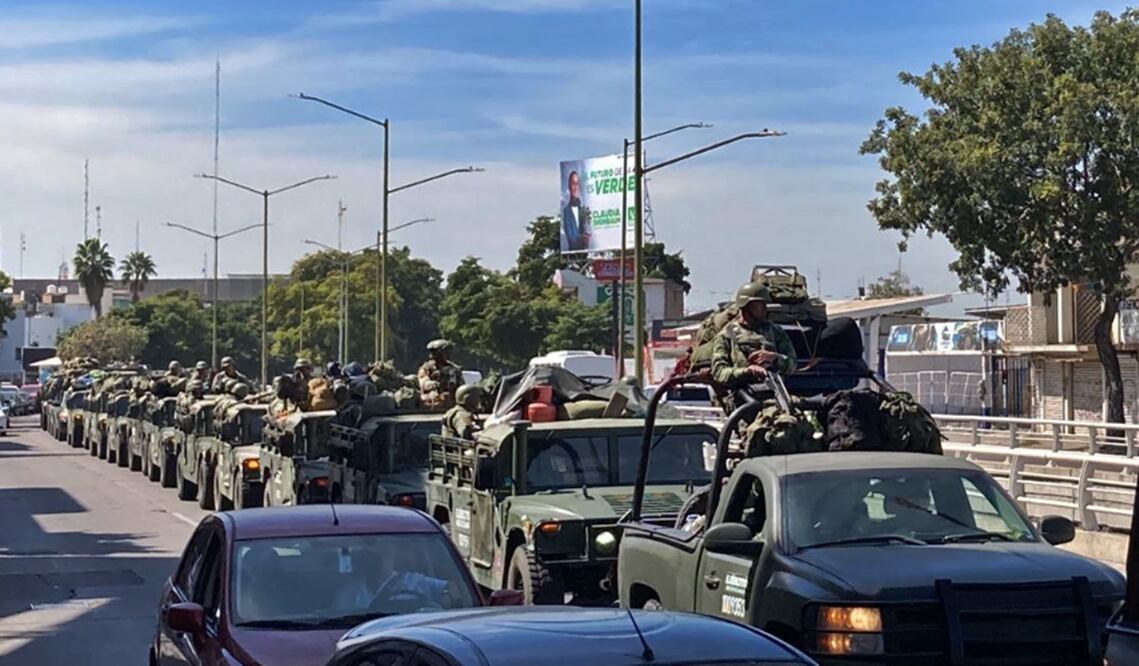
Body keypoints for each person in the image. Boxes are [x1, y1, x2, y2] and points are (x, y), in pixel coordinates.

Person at [710, 283, 797, 398]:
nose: (765, 308)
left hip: (775, 394)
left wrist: (775, 358)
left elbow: (792, 365)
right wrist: (746, 371)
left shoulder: (775, 331)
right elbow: (719, 372)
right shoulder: (726, 335)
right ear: (746, 305)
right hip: (743, 397)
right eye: (759, 304)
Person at [418, 340, 463, 409]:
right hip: (433, 402)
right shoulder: (427, 368)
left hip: (451, 402)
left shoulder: (454, 369)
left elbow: (461, 386)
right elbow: (423, 384)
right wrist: (437, 384)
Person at [561, 170, 590, 251]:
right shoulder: (566, 211)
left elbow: (584, 228)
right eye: (573, 183)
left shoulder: (582, 209)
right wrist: (582, 238)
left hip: (585, 251)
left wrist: (587, 236)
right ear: (569, 186)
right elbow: (570, 236)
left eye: (577, 184)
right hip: (573, 252)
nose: (576, 187)